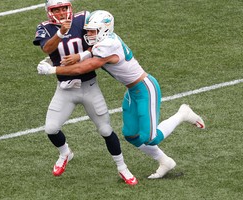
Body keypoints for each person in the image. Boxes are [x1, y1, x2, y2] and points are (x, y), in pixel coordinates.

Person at [37, 10, 206, 179]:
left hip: (146, 88)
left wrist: (53, 69)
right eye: (87, 30)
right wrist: (79, 55)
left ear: (104, 30)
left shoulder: (107, 45)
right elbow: (91, 51)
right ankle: (165, 161)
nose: (87, 34)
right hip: (132, 91)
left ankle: (182, 114)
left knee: (150, 138)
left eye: (91, 31)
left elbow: (84, 67)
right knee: (131, 135)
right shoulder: (105, 40)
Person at [33, 0, 137, 185]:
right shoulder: (45, 28)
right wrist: (60, 35)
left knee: (106, 130)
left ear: (69, 7)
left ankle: (123, 167)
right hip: (65, 88)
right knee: (51, 128)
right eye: (56, 10)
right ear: (49, 12)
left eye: (63, 8)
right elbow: (47, 49)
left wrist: (78, 57)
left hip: (89, 86)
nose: (61, 13)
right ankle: (65, 153)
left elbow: (99, 41)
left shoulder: (83, 20)